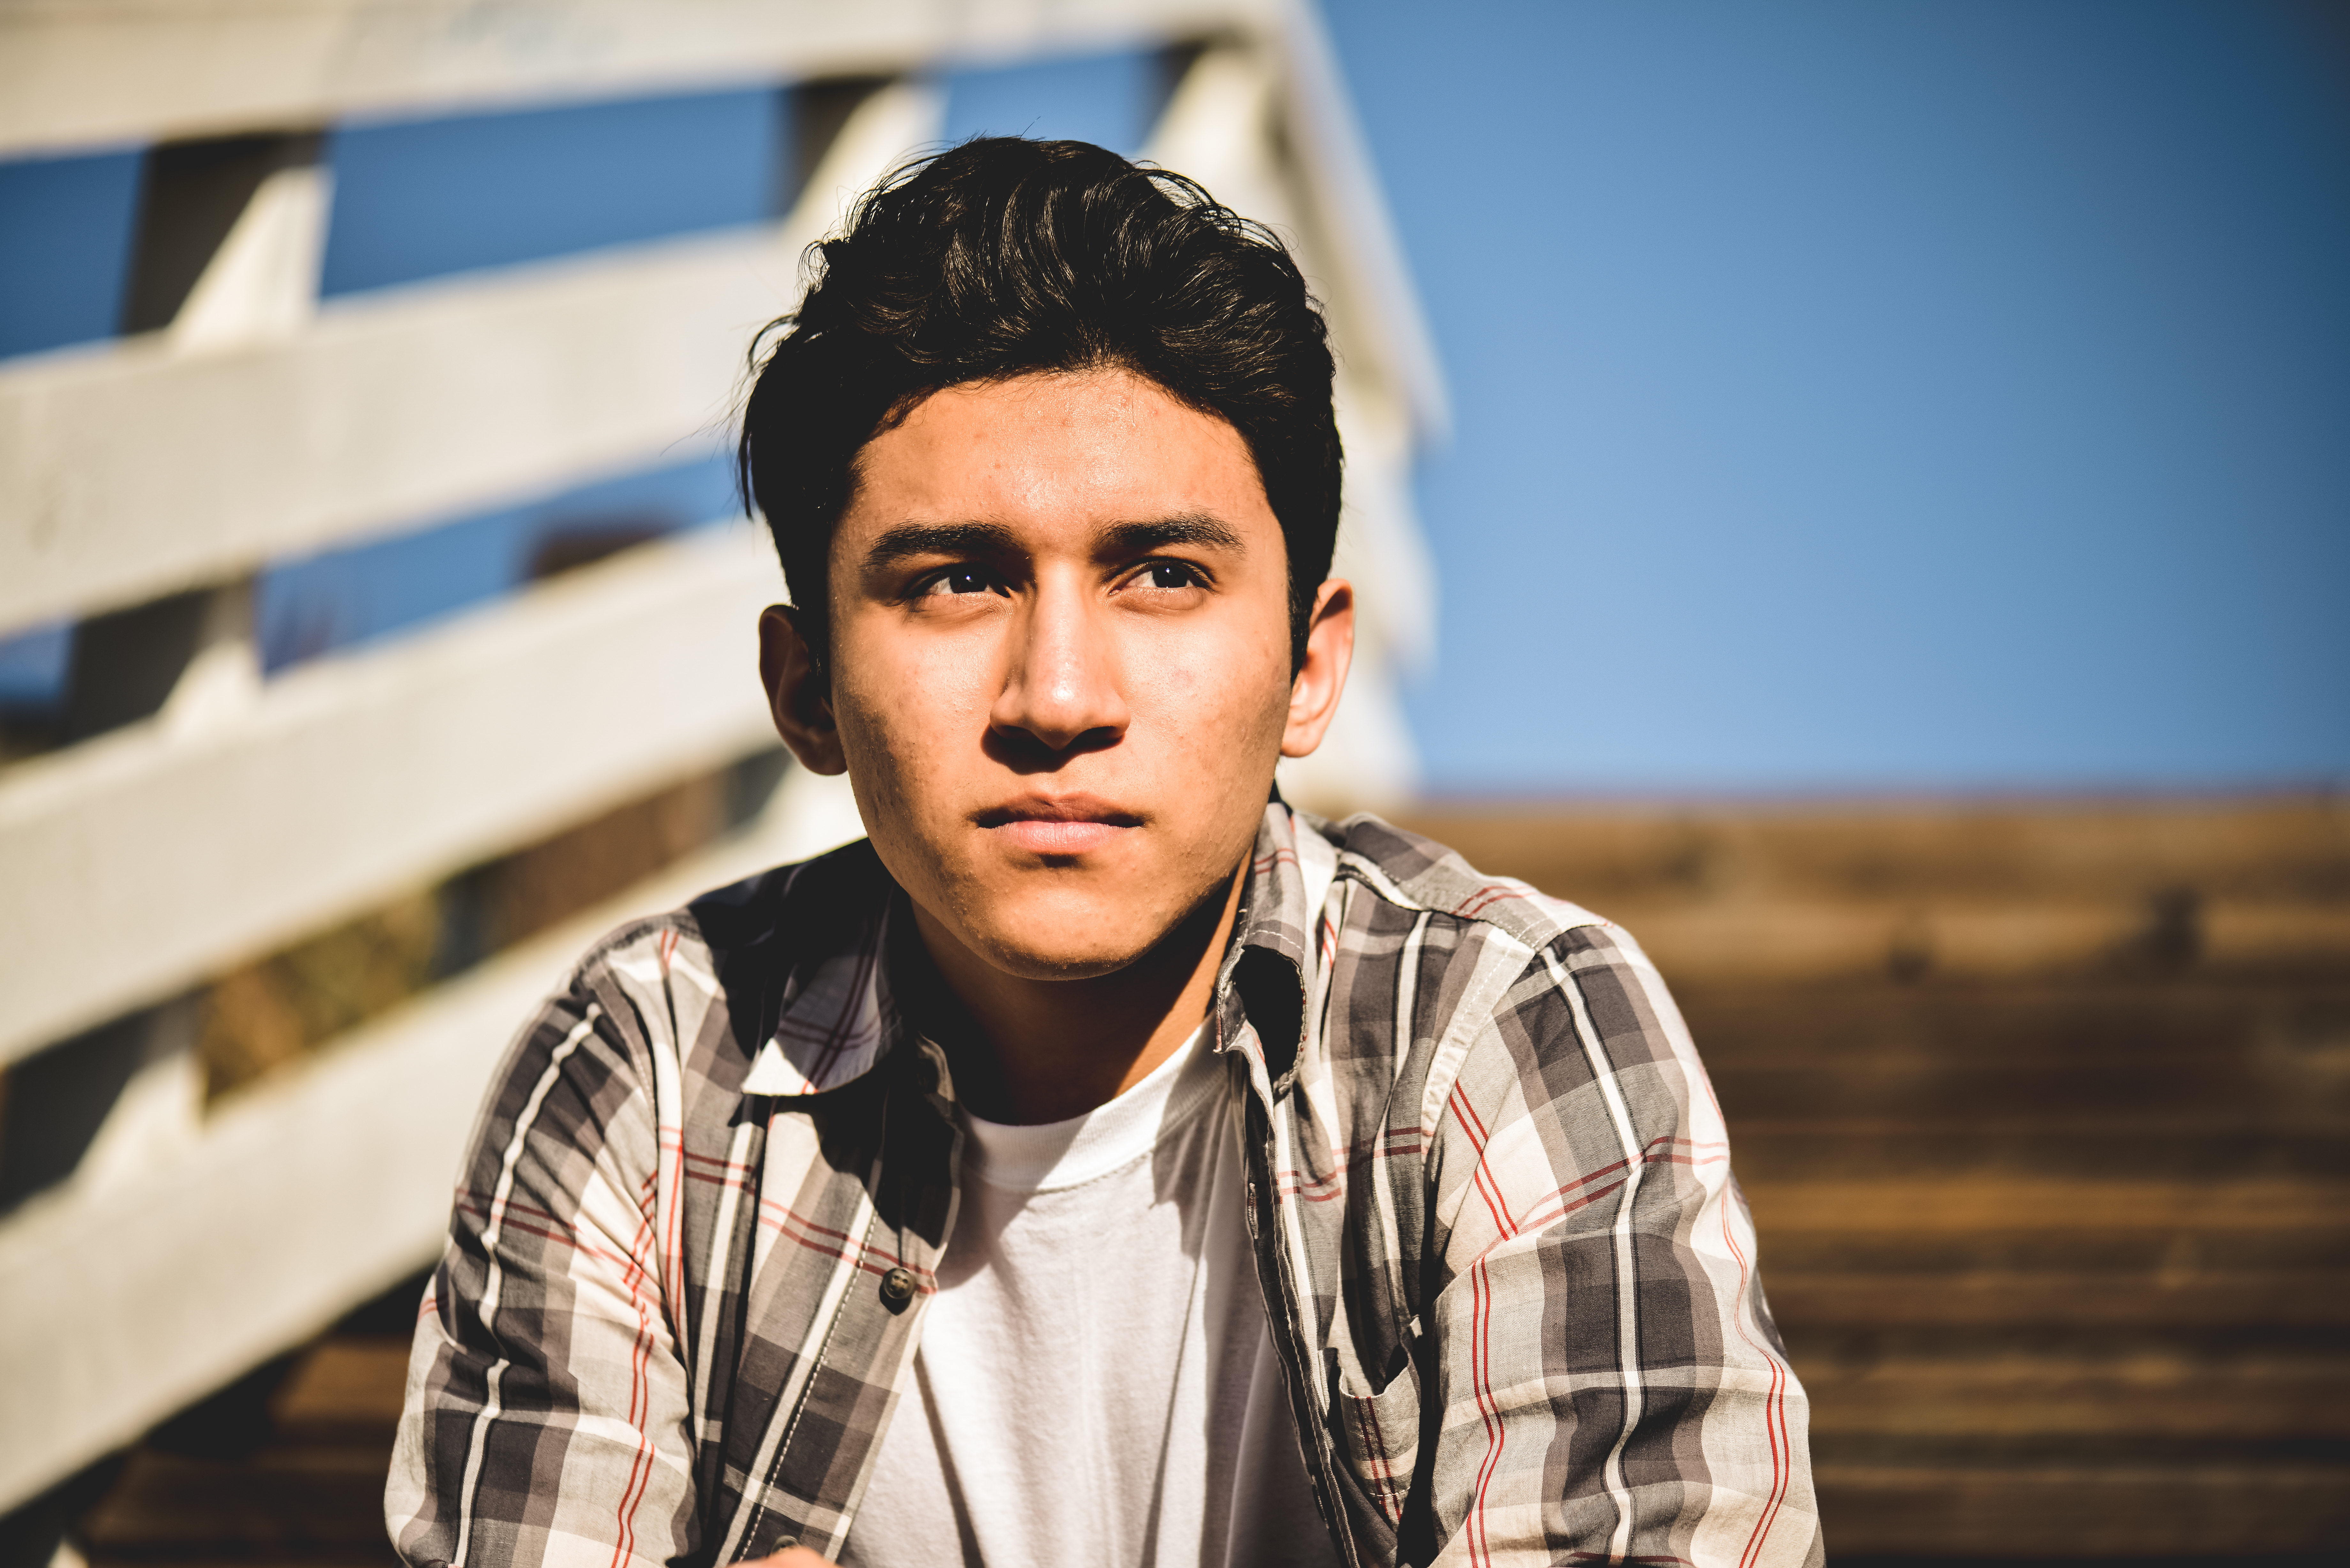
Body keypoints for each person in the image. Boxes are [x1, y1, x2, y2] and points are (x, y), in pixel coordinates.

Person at [386, 137, 1821, 1568]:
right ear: (807, 688)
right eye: (956, 579)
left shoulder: (1508, 1027)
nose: (1058, 698)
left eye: (1163, 576)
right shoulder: (643, 1071)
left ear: (1308, 667)